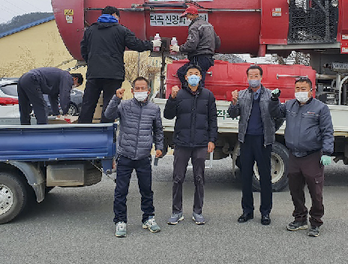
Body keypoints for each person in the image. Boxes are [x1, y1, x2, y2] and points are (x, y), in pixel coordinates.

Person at [269, 77, 334, 237]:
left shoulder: (321, 108)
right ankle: (300, 219)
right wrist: (274, 99)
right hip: (294, 155)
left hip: (312, 156)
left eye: (303, 88)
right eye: (297, 88)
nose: (300, 91)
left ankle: (316, 222)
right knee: (295, 190)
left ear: (311, 90)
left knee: (315, 192)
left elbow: (327, 131)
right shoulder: (290, 105)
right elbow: (275, 112)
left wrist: (326, 152)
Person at [104, 76, 164, 238]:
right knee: (121, 191)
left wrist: (159, 147)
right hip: (125, 155)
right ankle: (120, 221)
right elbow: (108, 115)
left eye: (143, 88)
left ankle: (148, 218)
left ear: (148, 90)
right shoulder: (124, 105)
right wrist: (115, 98)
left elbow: (158, 130)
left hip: (144, 156)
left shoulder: (154, 109)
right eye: (137, 88)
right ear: (132, 91)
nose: (140, 91)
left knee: (146, 190)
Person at [78, 6, 156, 123]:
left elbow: (83, 50)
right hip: (113, 75)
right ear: (115, 15)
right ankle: (106, 133)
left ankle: (82, 133)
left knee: (88, 104)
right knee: (110, 105)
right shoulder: (121, 30)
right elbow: (136, 45)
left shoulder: (90, 30)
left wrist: (92, 62)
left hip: (94, 73)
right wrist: (152, 44)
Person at [163, 65, 217, 225]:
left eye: (196, 74)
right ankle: (176, 211)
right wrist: (171, 99)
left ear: (201, 77)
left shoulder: (208, 95)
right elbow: (168, 115)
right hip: (182, 143)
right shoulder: (178, 94)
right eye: (190, 74)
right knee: (177, 178)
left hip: (200, 143)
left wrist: (212, 139)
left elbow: (213, 119)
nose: (193, 76)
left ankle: (197, 211)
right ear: (185, 78)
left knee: (199, 178)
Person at [227, 65, 281, 225]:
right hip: (246, 140)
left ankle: (265, 212)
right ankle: (247, 211)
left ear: (261, 77)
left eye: (256, 75)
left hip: (264, 141)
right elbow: (232, 114)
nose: (253, 78)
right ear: (247, 77)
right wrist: (234, 103)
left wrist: (271, 131)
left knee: (265, 177)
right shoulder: (242, 95)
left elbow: (279, 116)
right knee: (245, 177)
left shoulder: (270, 95)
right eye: (250, 75)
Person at [170, 6, 220, 86]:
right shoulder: (209, 25)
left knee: (182, 73)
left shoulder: (194, 27)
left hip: (198, 58)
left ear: (192, 15)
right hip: (208, 59)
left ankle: (190, 95)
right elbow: (217, 43)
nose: (186, 19)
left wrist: (179, 48)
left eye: (187, 16)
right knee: (200, 80)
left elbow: (191, 44)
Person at [17, 67, 82, 125]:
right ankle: (43, 131)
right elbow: (65, 94)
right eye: (77, 85)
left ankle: (24, 129)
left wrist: (57, 114)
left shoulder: (58, 80)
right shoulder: (67, 77)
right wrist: (66, 112)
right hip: (32, 78)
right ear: (75, 79)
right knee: (41, 106)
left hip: (22, 79)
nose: (73, 86)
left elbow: (53, 97)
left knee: (24, 107)